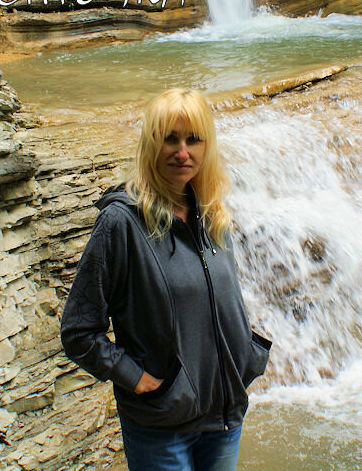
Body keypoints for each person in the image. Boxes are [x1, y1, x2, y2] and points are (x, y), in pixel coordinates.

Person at [60, 88, 272, 471]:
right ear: (150, 144)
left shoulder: (211, 212)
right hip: (162, 424)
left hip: (224, 414)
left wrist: (244, 355)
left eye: (194, 139)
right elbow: (79, 330)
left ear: (207, 146)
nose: (182, 152)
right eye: (170, 139)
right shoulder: (122, 223)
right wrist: (134, 377)